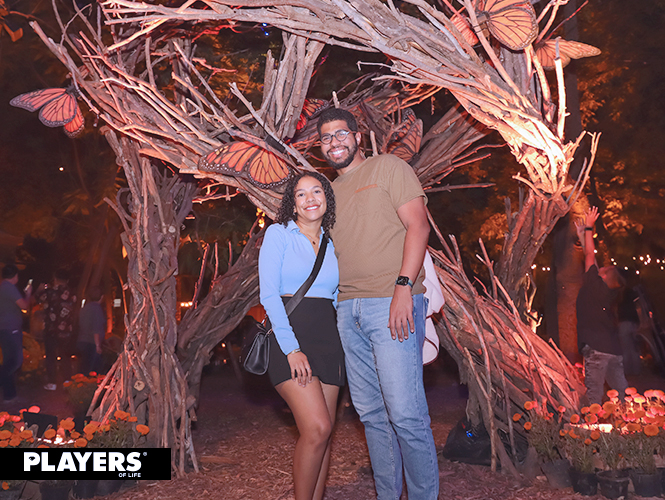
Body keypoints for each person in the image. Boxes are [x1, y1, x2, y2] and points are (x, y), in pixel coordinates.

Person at [317, 107, 439, 500]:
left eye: (341, 134)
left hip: (391, 304)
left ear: (357, 136)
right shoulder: (328, 194)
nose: (334, 142)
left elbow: (418, 225)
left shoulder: (388, 167)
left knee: (405, 414)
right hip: (347, 310)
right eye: (326, 138)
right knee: (371, 415)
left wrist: (403, 287)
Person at [258, 171, 344, 500]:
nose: (310, 199)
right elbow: (269, 296)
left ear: (327, 199)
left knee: (325, 435)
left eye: (317, 191)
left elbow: (336, 297)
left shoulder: (333, 243)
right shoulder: (279, 234)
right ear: (292, 204)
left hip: (329, 341)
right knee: (317, 427)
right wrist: (292, 349)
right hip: (290, 339)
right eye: (301, 194)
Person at [575, 206, 628, 404]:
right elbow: (591, 259)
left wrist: (589, 228)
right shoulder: (608, 292)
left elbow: (590, 255)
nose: (602, 267)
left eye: (606, 268)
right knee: (621, 394)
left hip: (596, 348)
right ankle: (627, 420)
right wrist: (583, 237)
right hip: (613, 349)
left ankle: (591, 423)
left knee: (594, 395)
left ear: (604, 276)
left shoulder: (594, 286)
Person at [36, 269, 77, 390]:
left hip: (51, 330)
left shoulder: (49, 292)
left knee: (50, 357)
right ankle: (67, 382)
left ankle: (52, 382)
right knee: (65, 357)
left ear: (55, 279)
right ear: (67, 280)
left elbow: (37, 298)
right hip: (66, 331)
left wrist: (40, 289)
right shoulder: (72, 293)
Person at [0, 264, 31, 402]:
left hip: (4, 328)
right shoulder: (9, 288)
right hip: (11, 329)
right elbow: (24, 306)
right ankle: (8, 393)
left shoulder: (3, 286)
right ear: (15, 276)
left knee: (8, 360)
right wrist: (28, 294)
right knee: (16, 361)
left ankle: (10, 394)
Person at [78, 286, 105, 375]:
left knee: (84, 367)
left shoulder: (85, 308)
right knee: (92, 371)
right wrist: (98, 346)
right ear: (102, 297)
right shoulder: (97, 309)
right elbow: (96, 328)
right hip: (92, 343)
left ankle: (80, 382)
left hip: (82, 341)